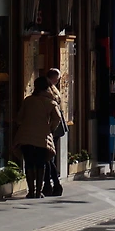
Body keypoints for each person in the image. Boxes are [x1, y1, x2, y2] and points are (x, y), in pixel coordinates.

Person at [13, 76, 60, 199]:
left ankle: (31, 191)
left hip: (25, 136)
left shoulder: (28, 101)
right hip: (42, 137)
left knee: (29, 163)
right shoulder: (50, 102)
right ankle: (38, 191)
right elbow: (57, 118)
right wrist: (50, 128)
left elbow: (19, 118)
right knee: (40, 164)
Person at [44, 68, 67, 196]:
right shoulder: (51, 90)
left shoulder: (50, 91)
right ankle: (51, 184)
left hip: (52, 129)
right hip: (54, 128)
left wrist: (51, 128)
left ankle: (51, 184)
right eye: (57, 79)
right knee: (48, 157)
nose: (57, 82)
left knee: (48, 157)